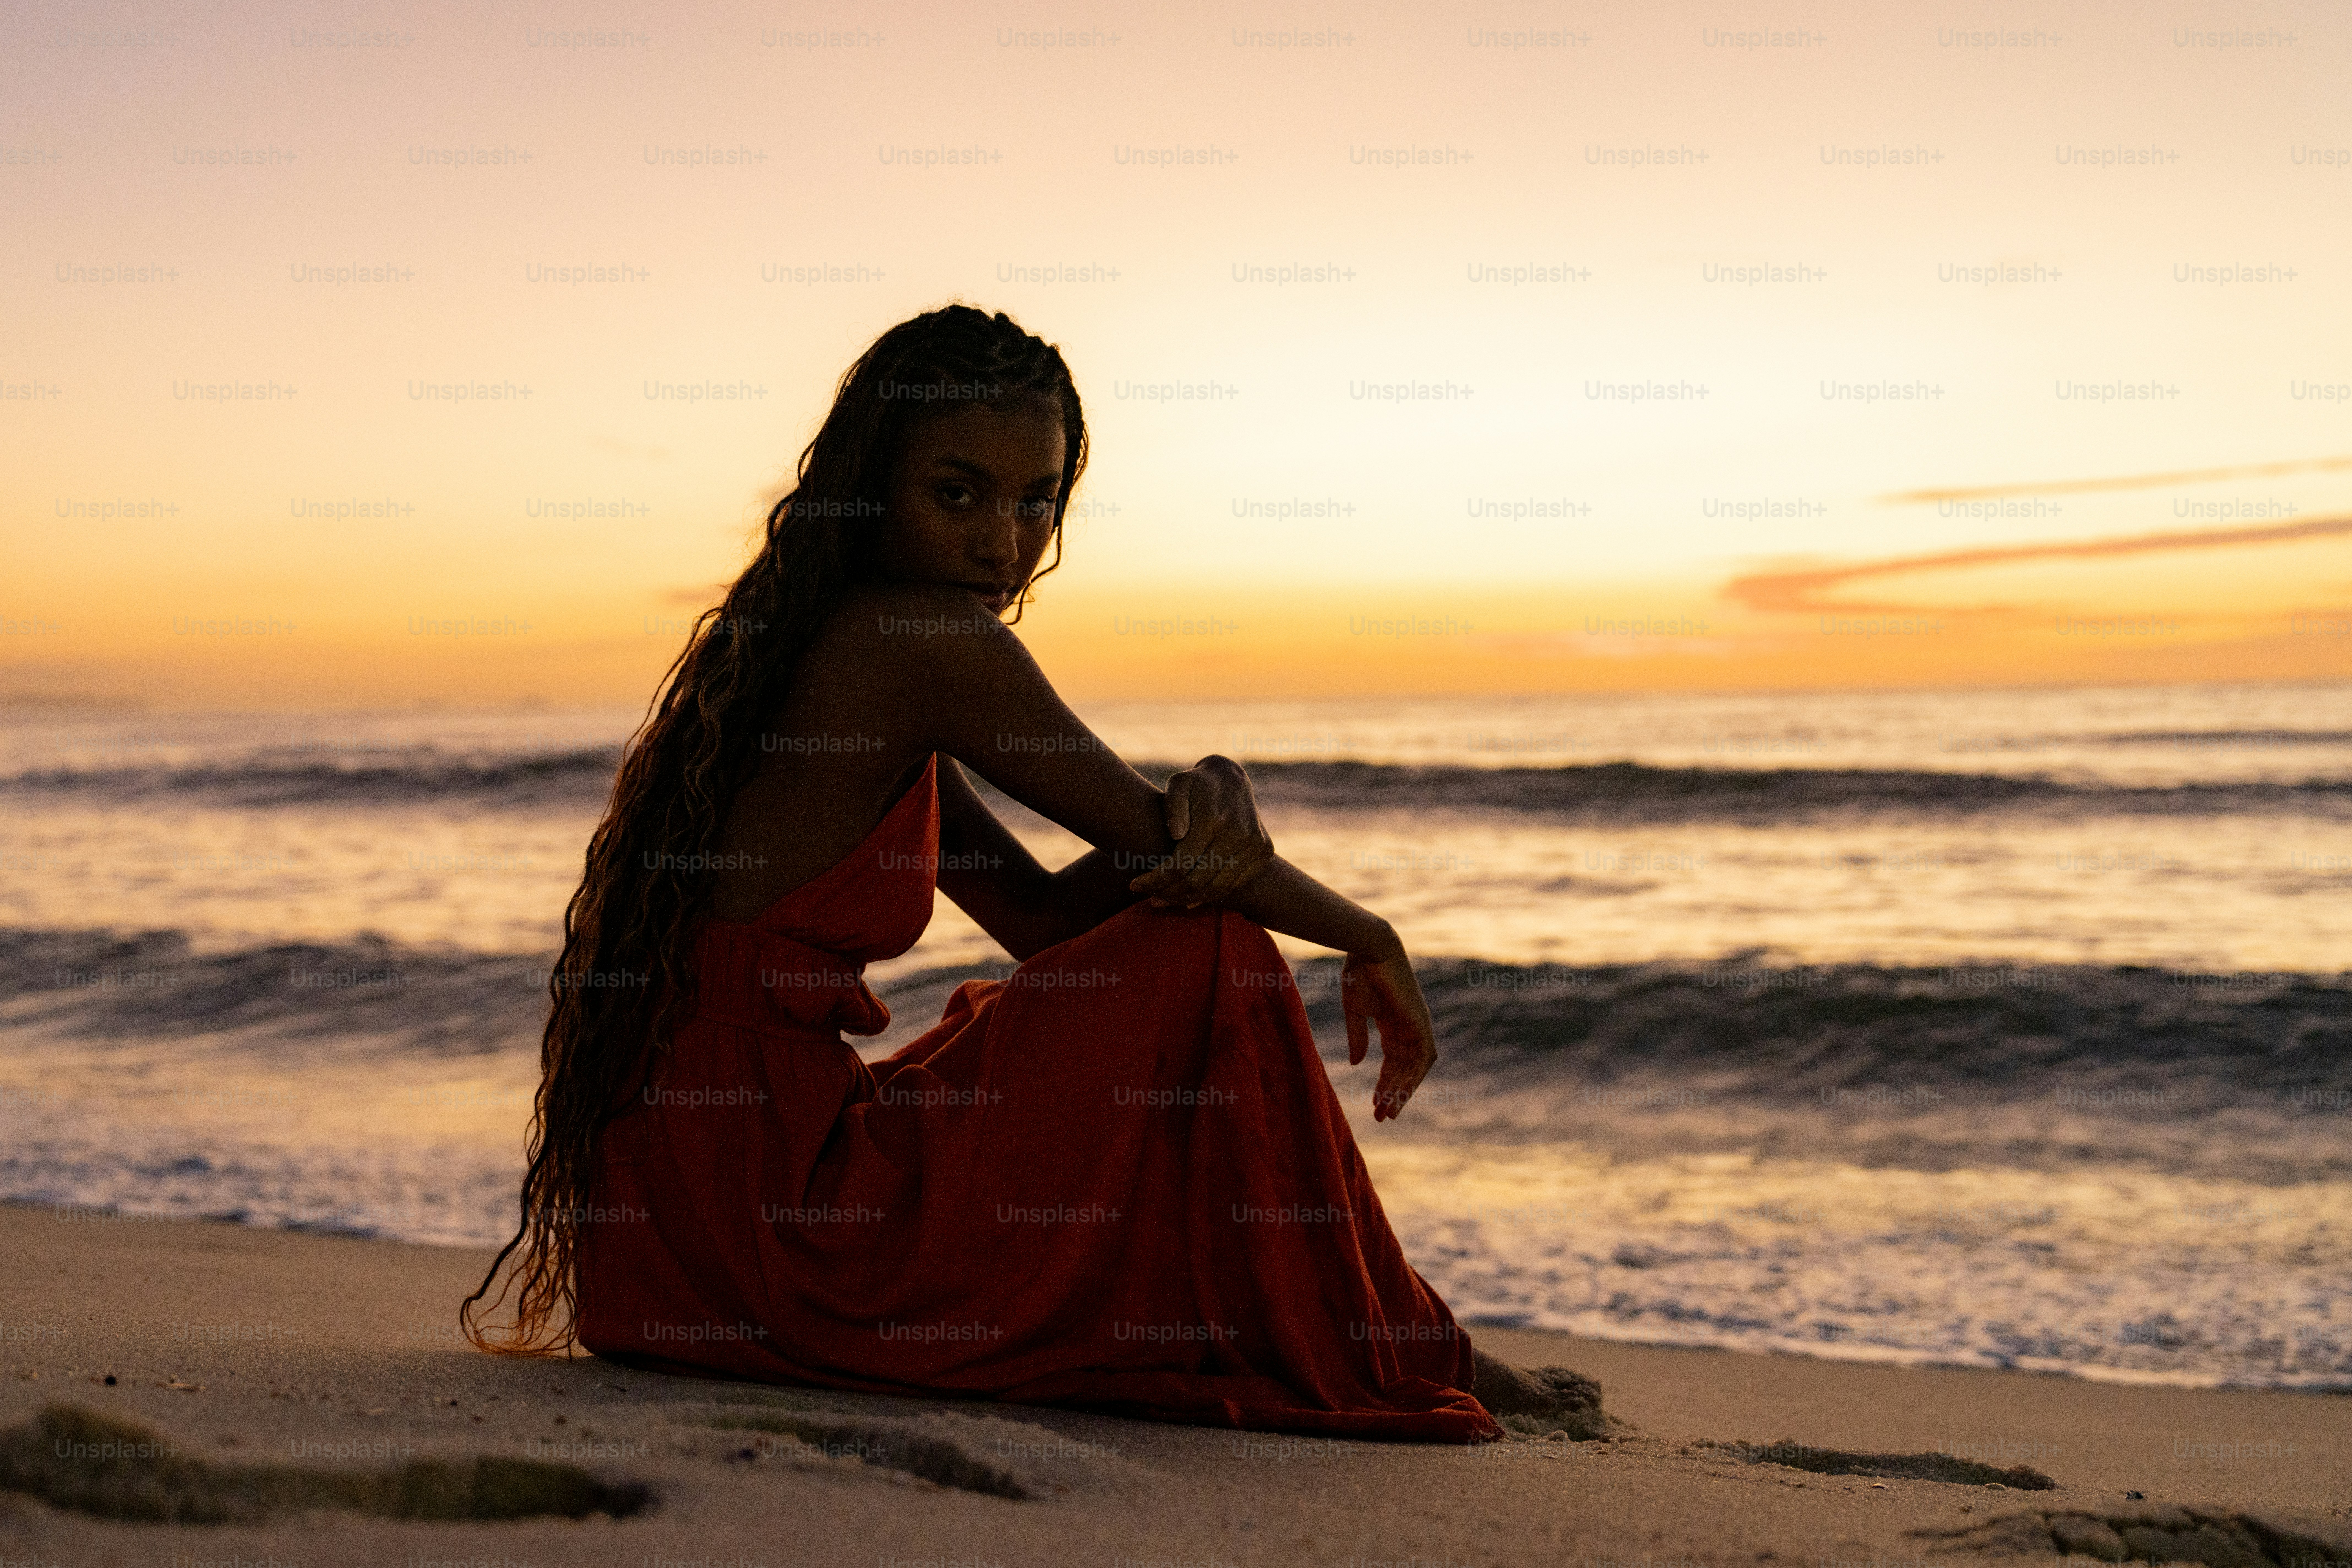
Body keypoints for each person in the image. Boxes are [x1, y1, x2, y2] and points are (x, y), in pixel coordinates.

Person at [462, 303, 1612, 1441]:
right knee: (1209, 946)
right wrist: (1371, 937)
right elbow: (1169, 860)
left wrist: (1207, 784)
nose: (999, 543)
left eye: (1035, 502)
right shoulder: (924, 642)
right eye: (956, 494)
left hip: (679, 1245)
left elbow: (1043, 922)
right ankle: (1399, 1342)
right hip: (775, 1225)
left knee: (1157, 952)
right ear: (870, 482)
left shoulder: (822, 647)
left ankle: (1380, 1331)